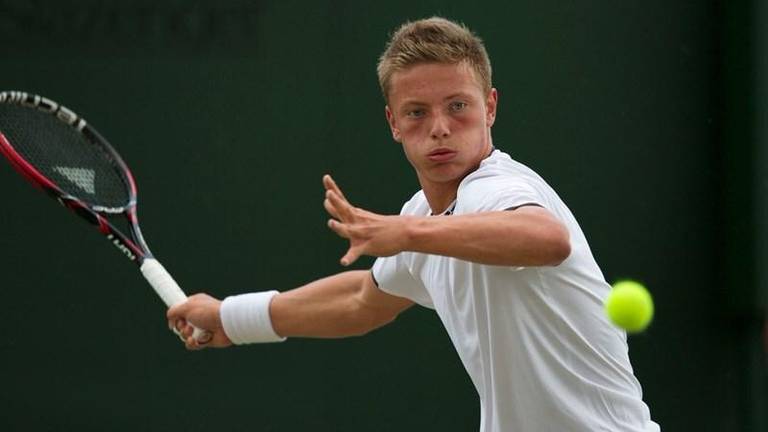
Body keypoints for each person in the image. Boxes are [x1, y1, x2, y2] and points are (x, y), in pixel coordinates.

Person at [168, 16, 660, 432]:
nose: (440, 127)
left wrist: (406, 235)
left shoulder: (495, 189)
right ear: (393, 123)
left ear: (490, 107)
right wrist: (232, 318)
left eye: (458, 106)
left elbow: (548, 239)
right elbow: (362, 301)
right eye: (417, 113)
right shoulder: (423, 216)